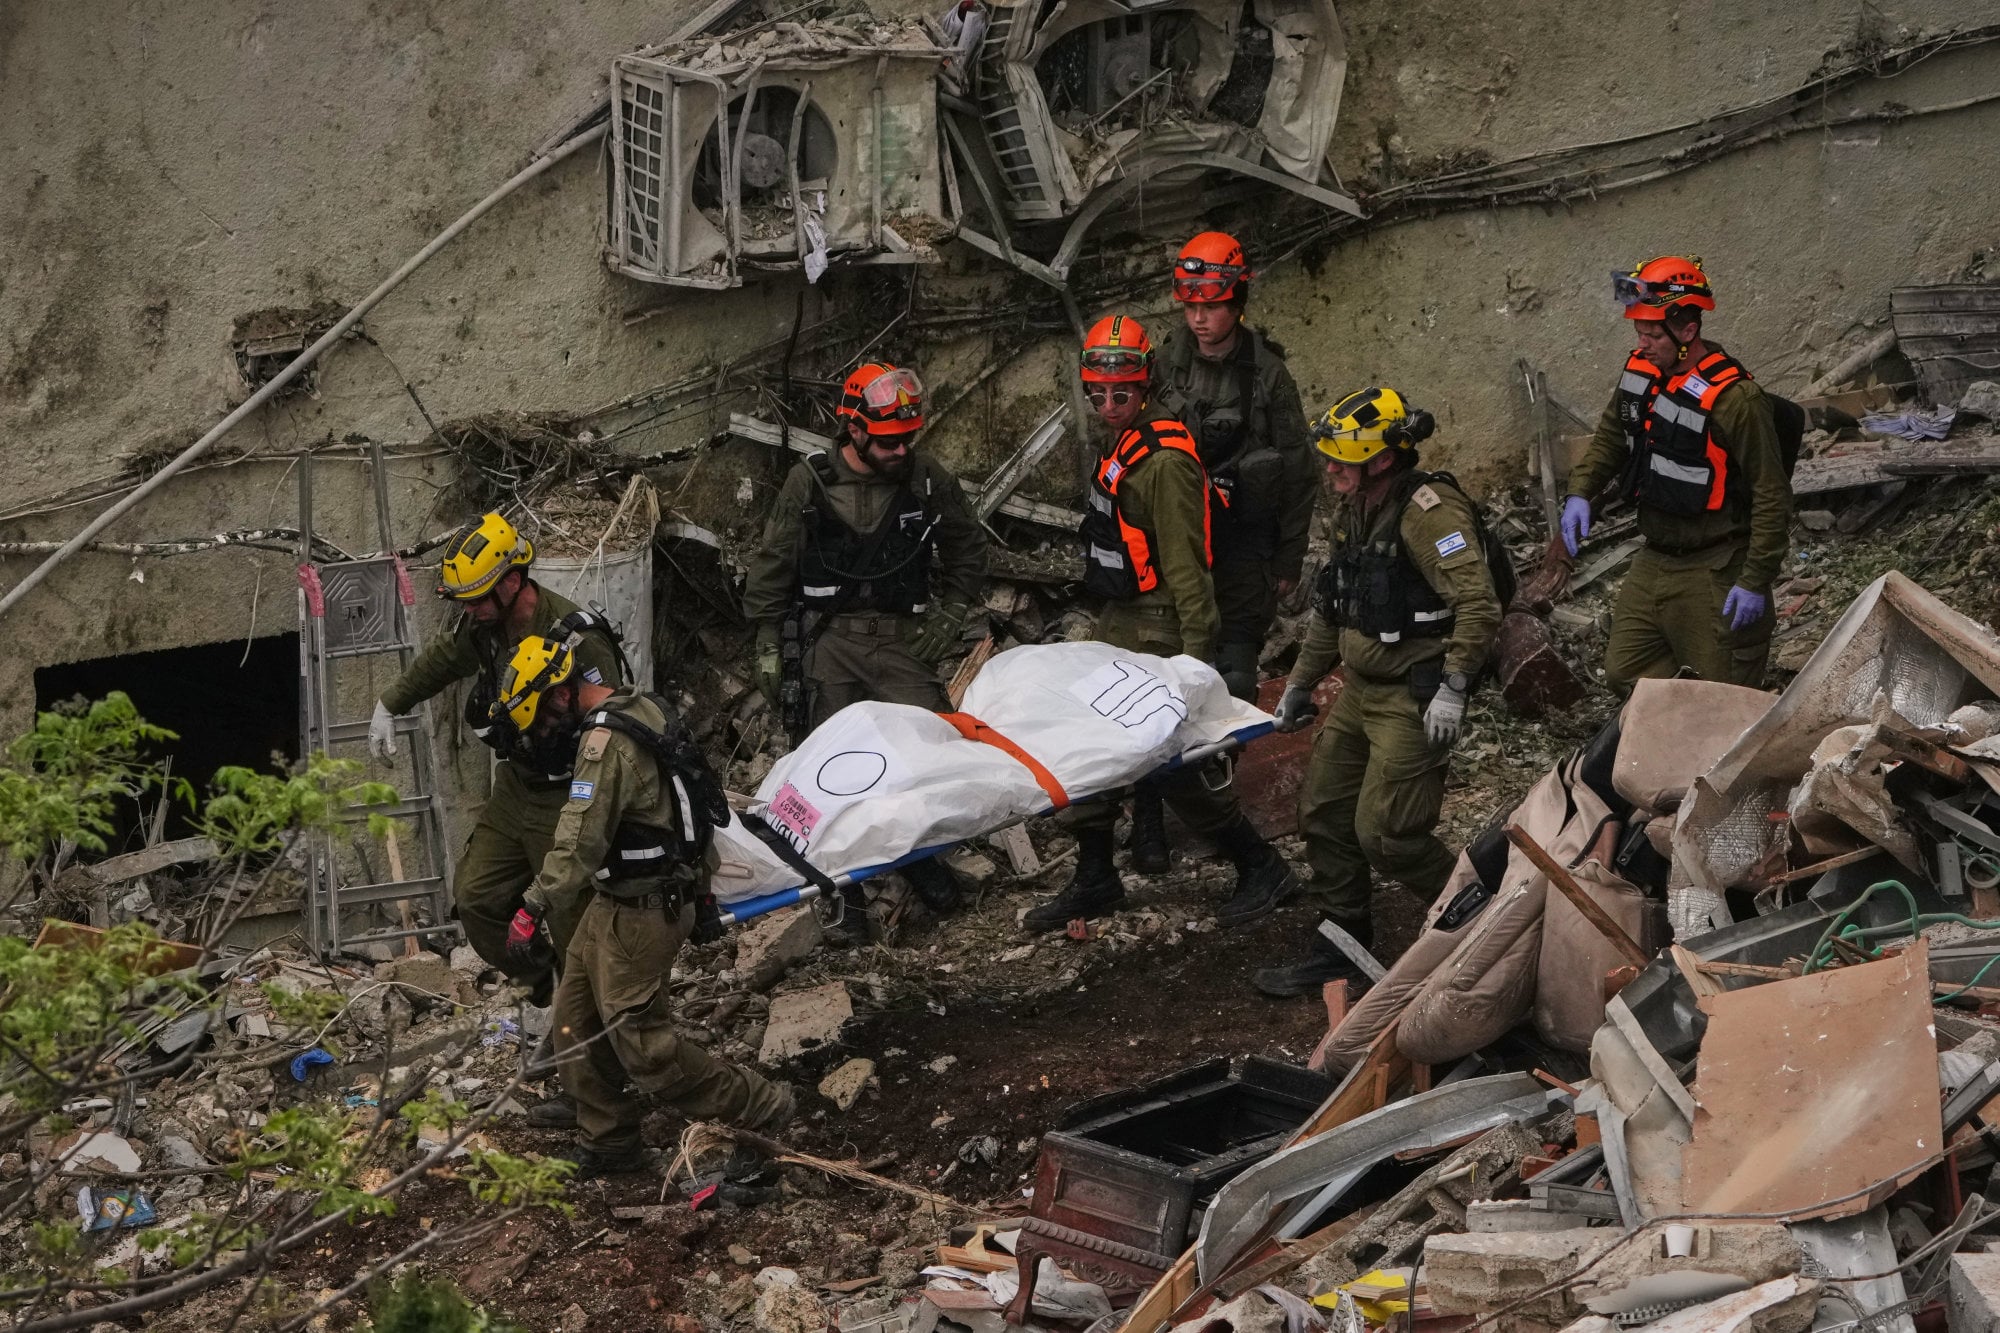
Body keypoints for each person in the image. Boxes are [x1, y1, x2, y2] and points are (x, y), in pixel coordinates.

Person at [1023, 314, 1297, 934]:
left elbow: (1189, 568)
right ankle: (1095, 877)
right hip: (1120, 620)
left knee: (1172, 765)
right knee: (1089, 749)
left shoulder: (1166, 461)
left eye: (1121, 393)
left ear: (1145, 384)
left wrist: (1195, 663)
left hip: (1162, 631)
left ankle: (1263, 867)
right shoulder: (1121, 446)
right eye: (1098, 394)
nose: (1109, 404)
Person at [495, 633, 796, 1179]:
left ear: (561, 695)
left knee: (645, 1048)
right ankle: (609, 1142)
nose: (544, 734)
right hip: (617, 899)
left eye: (541, 720)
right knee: (573, 1023)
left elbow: (580, 839)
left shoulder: (603, 745)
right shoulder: (640, 704)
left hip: (644, 907)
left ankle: (763, 1108)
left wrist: (532, 905)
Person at [1253, 388, 1503, 998]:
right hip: (1362, 686)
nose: (1331, 468)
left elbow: (1478, 603)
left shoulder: (1429, 513)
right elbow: (1332, 611)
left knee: (1389, 834)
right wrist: (1301, 684)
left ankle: (1484, 925)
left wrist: (1454, 687)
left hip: (1413, 695)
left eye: (1344, 457)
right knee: (1325, 812)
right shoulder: (1354, 506)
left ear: (1384, 458)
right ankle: (1345, 939)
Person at [743, 361, 989, 929]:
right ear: (853, 429)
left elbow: (968, 547)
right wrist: (766, 640)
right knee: (826, 772)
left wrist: (951, 612)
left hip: (903, 641)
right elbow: (773, 564)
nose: (901, 449)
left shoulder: (927, 478)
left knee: (934, 752)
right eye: (888, 439)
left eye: (908, 437)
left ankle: (923, 862)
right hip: (829, 642)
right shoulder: (809, 482)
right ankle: (841, 895)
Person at [367, 512, 624, 994]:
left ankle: (585, 1028)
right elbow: (445, 657)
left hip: (570, 793)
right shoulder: (488, 629)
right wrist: (390, 703)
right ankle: (545, 985)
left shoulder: (577, 642)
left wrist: (594, 810)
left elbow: (613, 727)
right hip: (516, 788)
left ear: (511, 581)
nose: (470, 611)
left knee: (574, 921)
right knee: (475, 899)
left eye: (476, 600)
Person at [1139, 229, 1319, 872]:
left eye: (1210, 305)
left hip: (1244, 543)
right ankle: (1151, 822)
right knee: (1162, 683)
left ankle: (1221, 811)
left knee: (1232, 676)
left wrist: (1289, 561)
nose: (1199, 318)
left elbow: (1300, 476)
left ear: (1236, 300)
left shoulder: (1267, 375)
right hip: (1182, 543)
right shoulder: (1166, 361)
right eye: (1189, 306)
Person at [1560, 255, 1791, 693]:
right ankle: (1672, 729)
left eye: (1653, 334)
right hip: (1656, 553)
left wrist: (1755, 579)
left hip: (1715, 562)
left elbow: (1771, 494)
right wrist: (1579, 493)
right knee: (1626, 673)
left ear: (1688, 330)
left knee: (1720, 696)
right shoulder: (1641, 370)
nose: (1643, 344)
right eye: (1639, 332)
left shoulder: (1736, 400)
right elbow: (1611, 436)